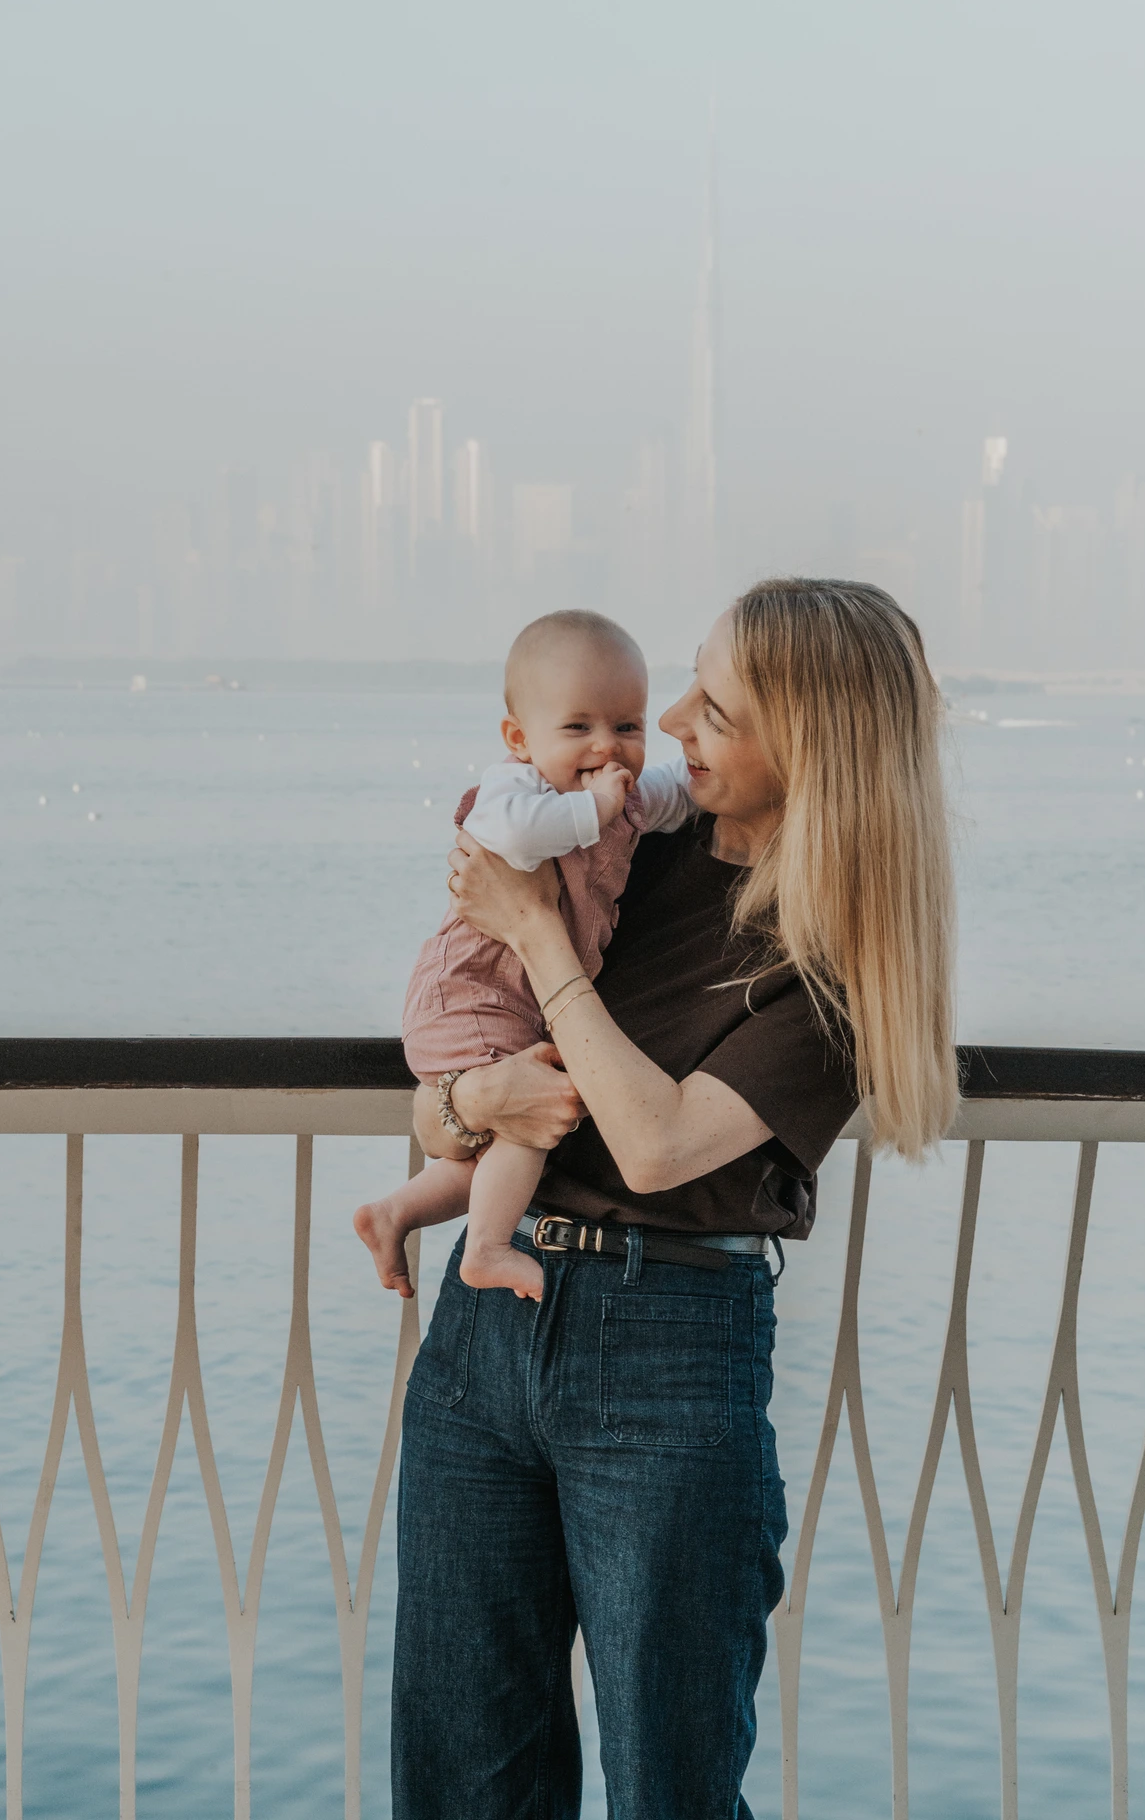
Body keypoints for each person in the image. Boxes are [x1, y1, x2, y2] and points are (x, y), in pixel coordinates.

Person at [391, 578, 958, 1820]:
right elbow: (441, 1110)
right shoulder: (619, 846)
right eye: (690, 680)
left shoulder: (830, 961)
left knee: (668, 1786)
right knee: (457, 1780)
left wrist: (536, 935)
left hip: (665, 1349)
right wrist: (469, 1101)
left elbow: (652, 1148)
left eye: (718, 706)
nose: (671, 721)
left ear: (807, 747)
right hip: (483, 1331)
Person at [355, 608, 690, 1300]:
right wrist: (594, 810)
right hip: (472, 990)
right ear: (520, 738)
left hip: (513, 1000)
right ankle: (485, 1248)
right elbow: (510, 833)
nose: (607, 746)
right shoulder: (518, 787)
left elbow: (680, 792)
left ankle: (395, 1212)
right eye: (578, 727)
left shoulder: (619, 797)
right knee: (530, 1121)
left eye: (627, 726)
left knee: (500, 1136)